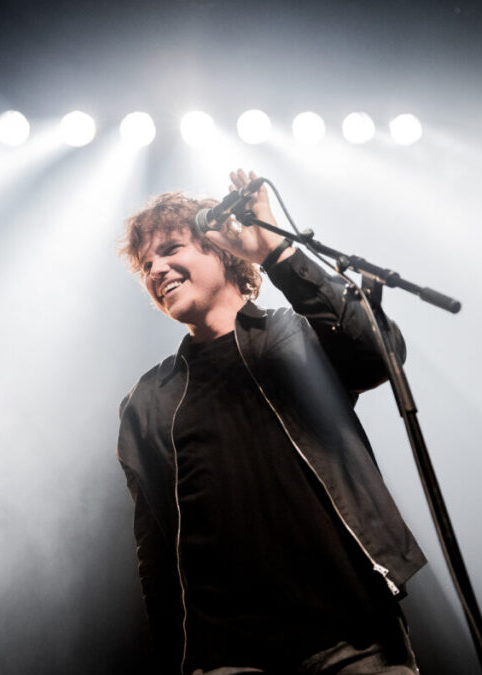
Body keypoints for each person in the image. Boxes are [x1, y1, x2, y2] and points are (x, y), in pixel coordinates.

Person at [116, 169, 426, 674]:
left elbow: (378, 353)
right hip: (229, 657)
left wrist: (279, 255)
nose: (157, 269)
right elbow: (154, 551)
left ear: (222, 252)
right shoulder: (147, 402)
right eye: (147, 263)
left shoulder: (293, 337)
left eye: (172, 249)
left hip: (355, 637)